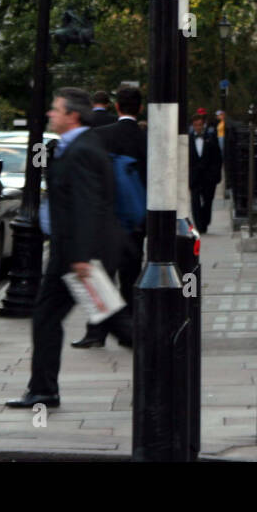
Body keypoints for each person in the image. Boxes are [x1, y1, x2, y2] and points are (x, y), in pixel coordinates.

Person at [7, 88, 133, 409]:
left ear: (72, 115)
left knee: (110, 319)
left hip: (78, 256)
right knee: (55, 317)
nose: (51, 114)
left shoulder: (83, 151)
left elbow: (88, 207)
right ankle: (43, 389)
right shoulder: (76, 147)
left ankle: (166, 363)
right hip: (70, 254)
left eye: (55, 109)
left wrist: (80, 257)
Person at [72, 86, 147, 349]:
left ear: (117, 106)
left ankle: (96, 332)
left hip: (107, 218)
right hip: (137, 218)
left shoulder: (102, 135)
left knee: (101, 275)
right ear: (139, 108)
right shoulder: (146, 139)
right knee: (131, 275)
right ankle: (132, 329)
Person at [188, 109, 223, 234]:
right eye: (195, 125)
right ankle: (199, 225)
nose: (197, 127)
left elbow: (218, 157)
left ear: (203, 125)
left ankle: (205, 220)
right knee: (195, 202)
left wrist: (216, 174)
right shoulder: (188, 140)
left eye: (200, 125)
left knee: (208, 201)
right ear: (192, 125)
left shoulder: (211, 138)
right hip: (194, 176)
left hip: (208, 176)